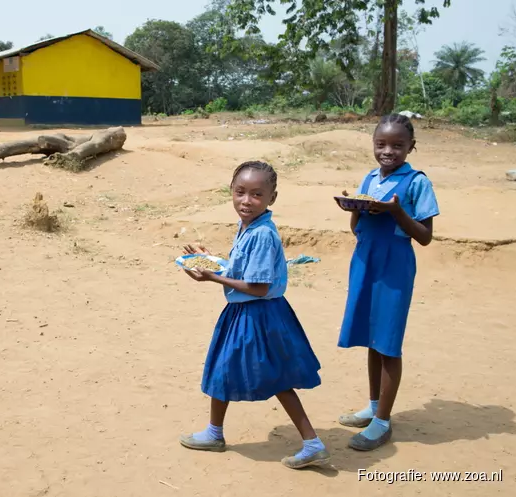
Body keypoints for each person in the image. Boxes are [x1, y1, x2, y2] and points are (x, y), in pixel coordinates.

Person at [178, 160, 329, 470]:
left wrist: (213, 277)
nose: (246, 201)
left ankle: (312, 443)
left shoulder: (261, 234)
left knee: (273, 378)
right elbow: (244, 270)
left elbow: (259, 287)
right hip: (248, 313)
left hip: (257, 315)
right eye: (240, 192)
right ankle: (214, 432)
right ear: (231, 192)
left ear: (272, 198)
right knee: (227, 371)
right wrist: (210, 260)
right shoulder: (249, 225)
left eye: (256, 195)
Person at [337, 114, 440, 451]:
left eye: (397, 145)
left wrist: (397, 213)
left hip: (394, 265)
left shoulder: (417, 182)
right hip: (365, 261)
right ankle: (372, 406)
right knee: (370, 336)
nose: (388, 151)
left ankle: (382, 422)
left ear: (411, 147)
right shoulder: (370, 177)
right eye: (381, 144)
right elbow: (356, 228)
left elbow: (424, 236)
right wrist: (354, 206)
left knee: (388, 342)